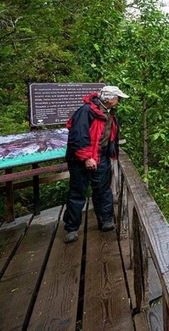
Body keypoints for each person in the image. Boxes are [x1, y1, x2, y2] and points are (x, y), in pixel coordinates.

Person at [63, 85, 129, 244]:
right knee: (78, 192)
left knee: (103, 189)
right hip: (81, 158)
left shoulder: (109, 112)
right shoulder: (86, 111)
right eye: (117, 98)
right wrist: (86, 158)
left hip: (102, 155)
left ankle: (106, 219)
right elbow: (78, 136)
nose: (118, 101)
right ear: (108, 99)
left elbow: (109, 134)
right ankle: (71, 229)